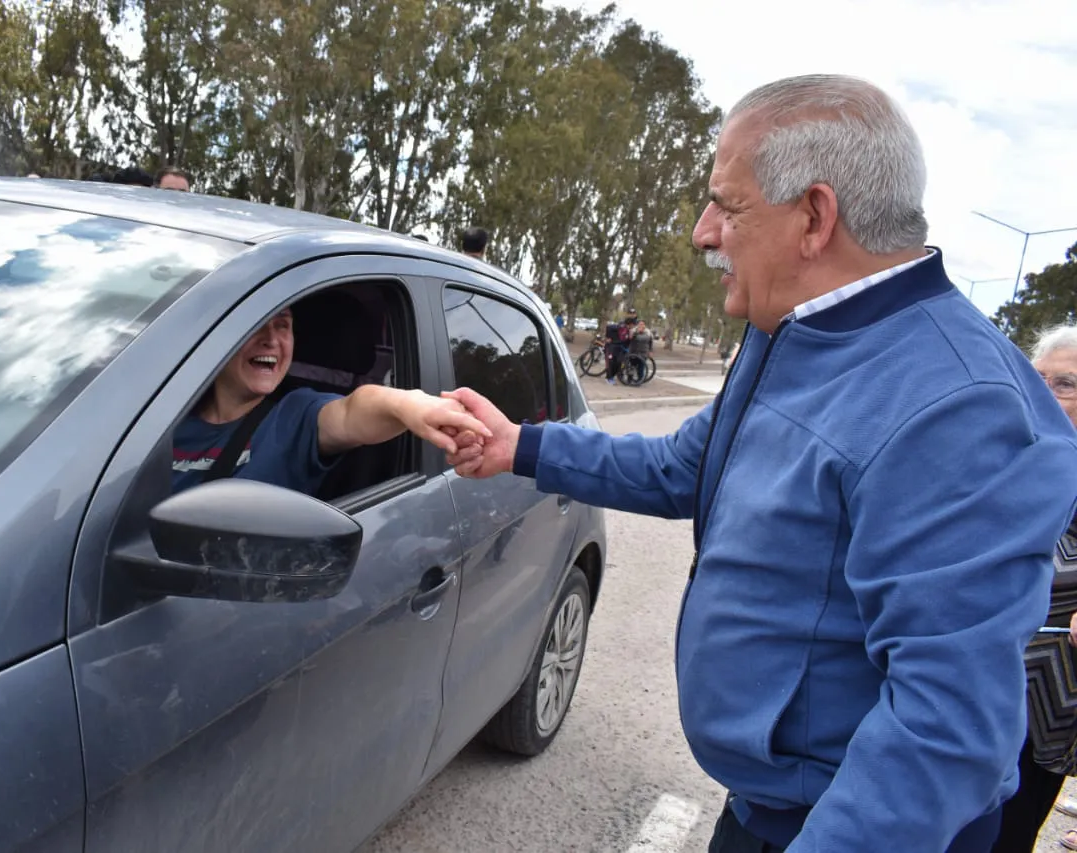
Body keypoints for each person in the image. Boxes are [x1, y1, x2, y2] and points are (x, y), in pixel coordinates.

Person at [442, 73, 1077, 853]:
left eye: (729, 205)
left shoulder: (959, 409)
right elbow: (689, 465)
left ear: (814, 216)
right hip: (767, 807)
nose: (705, 232)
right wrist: (521, 445)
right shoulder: (794, 333)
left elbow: (947, 732)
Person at [171, 306, 490, 496]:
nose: (271, 339)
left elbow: (353, 411)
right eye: (255, 324)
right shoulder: (165, 413)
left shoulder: (294, 417)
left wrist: (410, 405)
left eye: (282, 325)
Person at [992, 324, 1077, 853]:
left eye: (1064, 383)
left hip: (1043, 700)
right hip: (964, 681)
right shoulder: (1002, 451)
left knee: (1003, 834)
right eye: (1036, 378)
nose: (1044, 394)